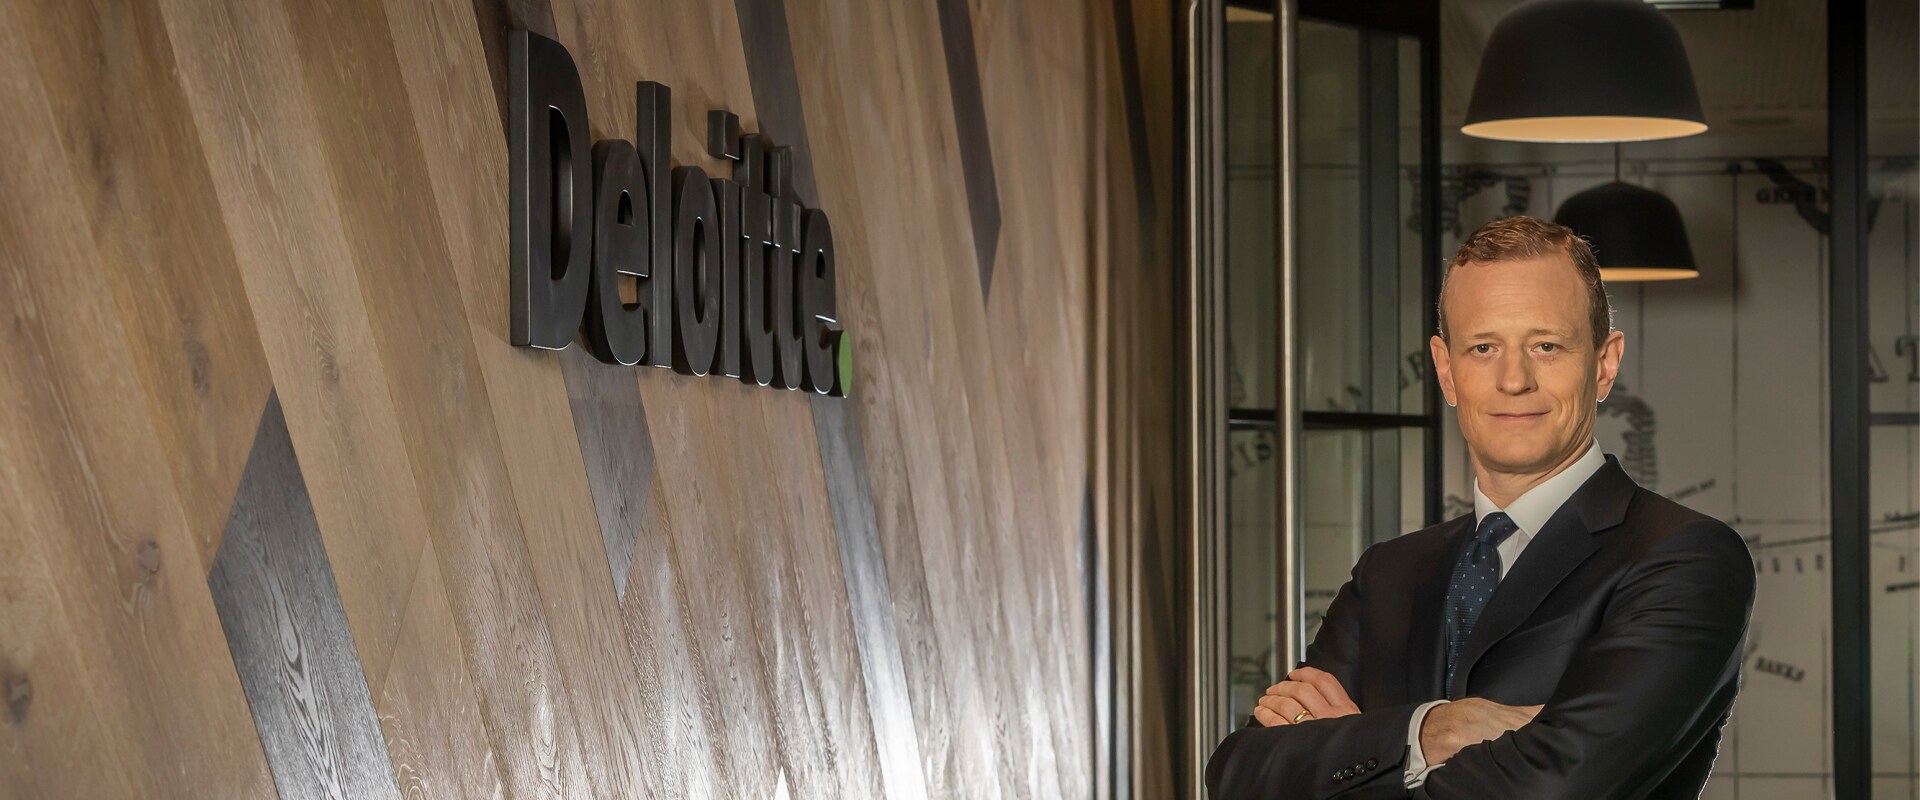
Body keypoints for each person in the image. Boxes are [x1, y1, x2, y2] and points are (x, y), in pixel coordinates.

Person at [1205, 216, 1755, 799]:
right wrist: (1435, 729)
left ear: (1604, 363)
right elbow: (1239, 775)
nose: (1513, 380)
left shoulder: (1684, 559)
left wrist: (1354, 746)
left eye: (1546, 346)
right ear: (1446, 370)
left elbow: (1555, 790)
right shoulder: (1388, 574)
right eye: (1483, 348)